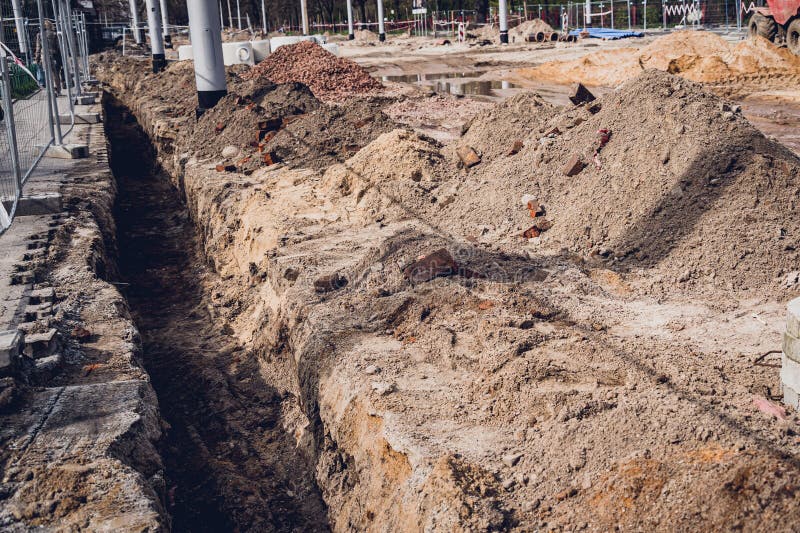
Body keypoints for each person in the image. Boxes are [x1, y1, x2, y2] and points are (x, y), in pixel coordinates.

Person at [34, 20, 61, 95]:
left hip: (44, 55)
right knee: (55, 73)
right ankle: (57, 89)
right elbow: (58, 47)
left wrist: (37, 58)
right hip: (54, 55)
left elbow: (38, 47)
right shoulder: (54, 34)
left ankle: (50, 90)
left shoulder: (39, 35)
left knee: (47, 72)